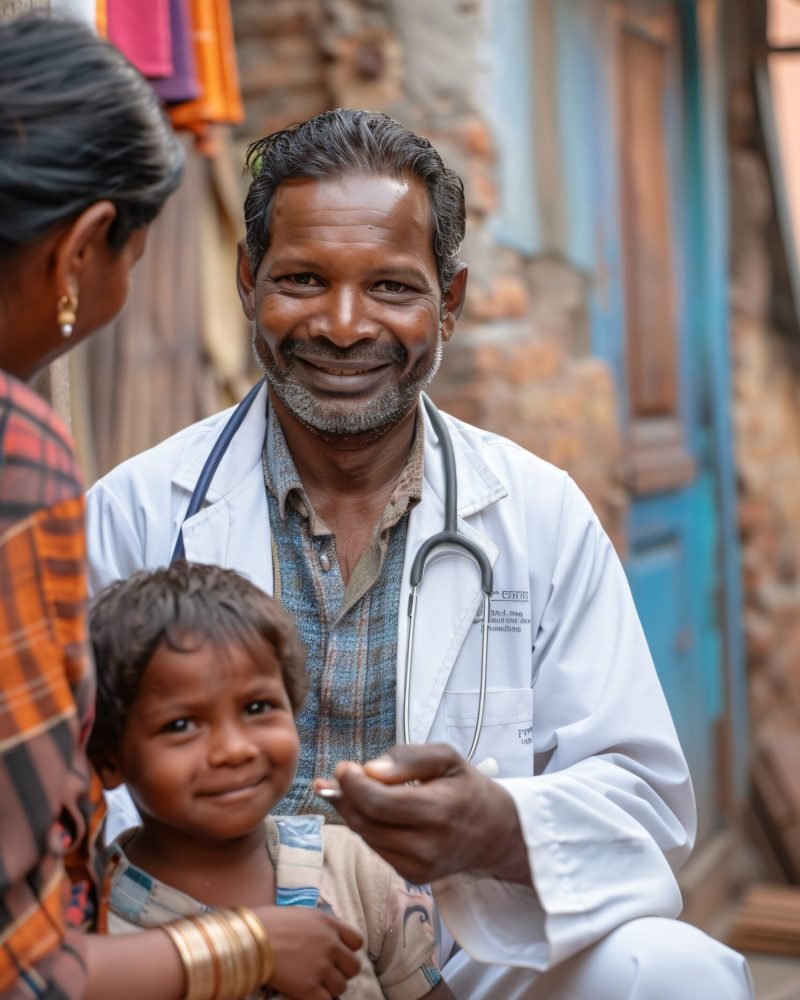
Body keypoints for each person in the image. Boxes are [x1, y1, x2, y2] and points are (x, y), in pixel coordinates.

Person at [86, 108, 754, 998]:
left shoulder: (537, 513)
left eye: (393, 288)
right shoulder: (137, 511)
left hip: (465, 957)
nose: (345, 323)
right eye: (304, 279)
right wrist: (229, 937)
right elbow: (73, 797)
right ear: (249, 283)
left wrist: (495, 825)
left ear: (453, 298)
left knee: (675, 974)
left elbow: (645, 805)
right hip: (204, 941)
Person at [0, 17, 361, 1000]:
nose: (342, 323)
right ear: (81, 252)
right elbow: (23, 962)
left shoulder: (348, 882)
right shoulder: (17, 456)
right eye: (134, 253)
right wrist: (241, 949)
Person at [88, 561, 454, 1000]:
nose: (234, 749)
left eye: (258, 708)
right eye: (182, 725)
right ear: (108, 757)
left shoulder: (361, 874)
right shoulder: (95, 925)